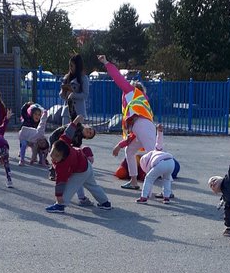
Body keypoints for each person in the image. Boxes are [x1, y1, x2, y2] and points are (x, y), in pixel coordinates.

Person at [97, 54, 156, 190]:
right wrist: (120, 145)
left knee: (155, 156)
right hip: (140, 128)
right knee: (130, 151)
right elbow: (133, 135)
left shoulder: (132, 92)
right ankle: (134, 182)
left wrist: (106, 63)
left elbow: (118, 78)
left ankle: (167, 188)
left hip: (142, 126)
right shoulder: (139, 102)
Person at [45, 117, 111, 213]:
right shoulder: (63, 141)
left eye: (56, 156)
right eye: (52, 153)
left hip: (81, 171)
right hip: (86, 165)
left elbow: (60, 182)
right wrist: (75, 121)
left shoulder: (62, 165)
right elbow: (69, 131)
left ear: (62, 157)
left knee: (70, 186)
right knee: (93, 186)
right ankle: (105, 203)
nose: (53, 157)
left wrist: (59, 197)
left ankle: (60, 205)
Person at [119, 123, 180, 204]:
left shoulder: (146, 162)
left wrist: (148, 194)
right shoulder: (157, 150)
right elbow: (159, 141)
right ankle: (166, 198)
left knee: (148, 179)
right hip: (171, 162)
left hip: (160, 163)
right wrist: (160, 132)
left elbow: (149, 181)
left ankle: (143, 198)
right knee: (166, 179)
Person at [60, 53, 90, 123]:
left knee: (78, 133)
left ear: (77, 66)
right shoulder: (66, 77)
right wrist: (63, 92)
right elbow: (61, 95)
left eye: (72, 66)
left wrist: (73, 94)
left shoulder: (83, 78)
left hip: (79, 112)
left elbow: (85, 95)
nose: (70, 68)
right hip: (67, 112)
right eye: (69, 66)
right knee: (65, 133)